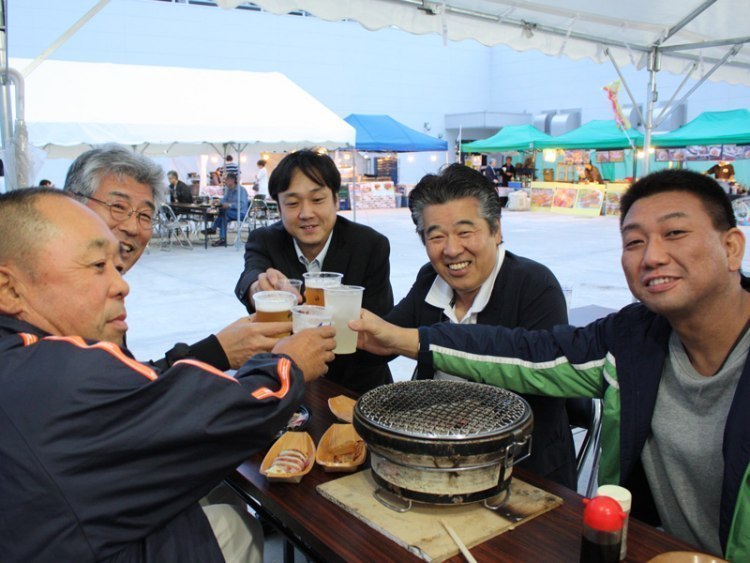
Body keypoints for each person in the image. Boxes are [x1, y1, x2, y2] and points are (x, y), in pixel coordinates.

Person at [352, 169, 750, 561]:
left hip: (522, 471)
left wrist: (407, 339)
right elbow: (531, 352)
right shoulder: (631, 338)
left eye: (675, 233)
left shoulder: (536, 284)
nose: (652, 256)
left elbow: (523, 362)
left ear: (733, 247)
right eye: (634, 241)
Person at [0, 188, 336, 562]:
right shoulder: (56, 367)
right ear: (9, 287)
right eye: (97, 264)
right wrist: (286, 365)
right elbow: (215, 418)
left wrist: (220, 350)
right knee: (232, 521)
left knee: (222, 495)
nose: (121, 284)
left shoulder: (27, 352)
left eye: (145, 214)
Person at [384, 163, 576, 487]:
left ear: (496, 230)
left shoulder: (535, 287)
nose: (452, 249)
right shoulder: (430, 279)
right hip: (438, 465)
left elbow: (537, 382)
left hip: (523, 472)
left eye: (465, 232)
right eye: (436, 236)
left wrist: (425, 342)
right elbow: (385, 336)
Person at [64, 144, 286, 372]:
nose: (132, 227)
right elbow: (115, 397)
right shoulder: (53, 290)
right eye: (118, 207)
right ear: (70, 204)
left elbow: (123, 381)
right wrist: (222, 354)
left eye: (145, 215)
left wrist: (219, 351)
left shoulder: (104, 288)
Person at [235, 149, 393, 393]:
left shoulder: (370, 245)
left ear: (336, 200)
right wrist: (260, 288)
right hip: (289, 384)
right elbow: (250, 276)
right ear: (278, 207)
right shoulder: (265, 240)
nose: (306, 213)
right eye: (292, 203)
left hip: (358, 386)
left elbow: (381, 326)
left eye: (317, 200)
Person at [208, 172, 249, 247]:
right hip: (231, 212)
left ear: (232, 180)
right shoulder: (229, 190)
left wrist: (229, 205)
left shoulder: (241, 190)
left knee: (224, 213)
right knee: (223, 213)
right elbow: (224, 200)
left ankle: (214, 228)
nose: (225, 182)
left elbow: (242, 204)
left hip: (241, 213)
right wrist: (218, 202)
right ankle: (221, 238)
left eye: (226, 180)